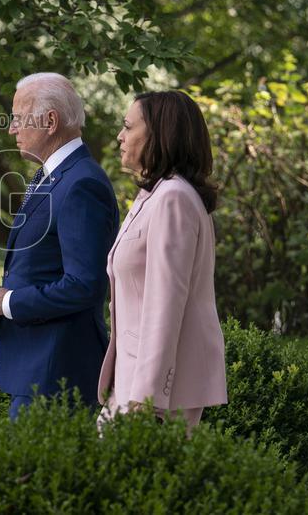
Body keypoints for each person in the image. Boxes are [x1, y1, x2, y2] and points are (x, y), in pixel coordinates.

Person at [0, 73, 119, 420]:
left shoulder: (81, 183)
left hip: (57, 373)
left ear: (50, 121)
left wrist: (6, 301)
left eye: (18, 118)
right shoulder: (57, 176)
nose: (12, 129)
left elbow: (84, 285)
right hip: (40, 369)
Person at [97, 90, 227, 433]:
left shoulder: (173, 198)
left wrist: (148, 398)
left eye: (128, 126)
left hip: (153, 394)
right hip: (131, 381)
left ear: (159, 135)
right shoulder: (156, 195)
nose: (120, 136)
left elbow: (165, 305)